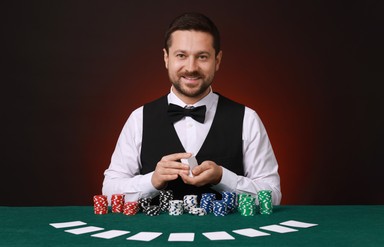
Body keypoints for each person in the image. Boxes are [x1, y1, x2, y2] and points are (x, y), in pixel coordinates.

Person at [102, 12, 281, 205]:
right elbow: (109, 192)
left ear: (217, 60)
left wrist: (223, 178)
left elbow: (273, 196)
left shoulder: (248, 118)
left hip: (227, 235)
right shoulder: (139, 119)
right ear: (166, 58)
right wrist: (152, 181)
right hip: (156, 235)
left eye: (202, 57)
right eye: (181, 55)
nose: (191, 67)